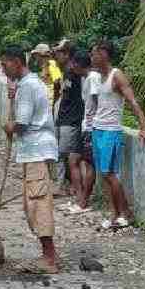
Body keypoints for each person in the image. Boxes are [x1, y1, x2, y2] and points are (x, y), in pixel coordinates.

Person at [0, 46, 60, 274]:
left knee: (38, 202)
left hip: (36, 149)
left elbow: (22, 123)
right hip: (35, 149)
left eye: (5, 65)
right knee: (32, 202)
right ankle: (48, 254)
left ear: (16, 62)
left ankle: (50, 258)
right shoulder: (29, 85)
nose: (4, 70)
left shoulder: (27, 86)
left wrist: (9, 126)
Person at [89, 41, 145, 231]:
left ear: (104, 54)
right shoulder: (98, 77)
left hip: (110, 130)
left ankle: (125, 213)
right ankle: (114, 213)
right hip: (98, 129)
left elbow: (132, 101)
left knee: (109, 174)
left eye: (94, 53)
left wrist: (143, 126)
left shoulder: (117, 76)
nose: (91, 57)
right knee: (104, 175)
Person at [53, 42, 87, 213]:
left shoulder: (76, 73)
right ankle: (72, 190)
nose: (56, 55)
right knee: (64, 156)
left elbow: (83, 99)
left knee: (69, 157)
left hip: (72, 121)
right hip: (63, 118)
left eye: (59, 52)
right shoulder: (66, 72)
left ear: (68, 55)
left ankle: (75, 192)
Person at [71, 51, 99, 212]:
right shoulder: (85, 78)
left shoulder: (92, 78)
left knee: (87, 163)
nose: (72, 66)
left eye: (74, 63)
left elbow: (96, 100)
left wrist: (94, 121)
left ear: (79, 64)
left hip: (91, 126)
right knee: (80, 161)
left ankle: (83, 201)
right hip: (87, 126)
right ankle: (81, 199)